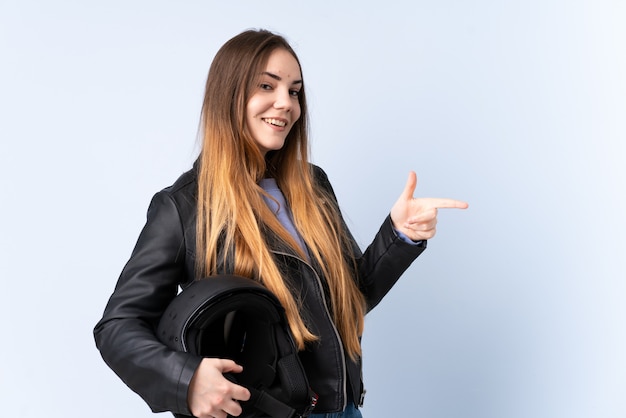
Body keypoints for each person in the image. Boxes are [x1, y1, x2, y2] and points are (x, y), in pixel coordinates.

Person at [93, 29, 468, 418]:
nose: (285, 103)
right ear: (229, 95)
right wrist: (187, 381)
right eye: (266, 86)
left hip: (344, 411)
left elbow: (347, 299)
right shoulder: (184, 206)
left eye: (294, 91)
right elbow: (117, 327)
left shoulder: (312, 185)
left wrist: (399, 235)